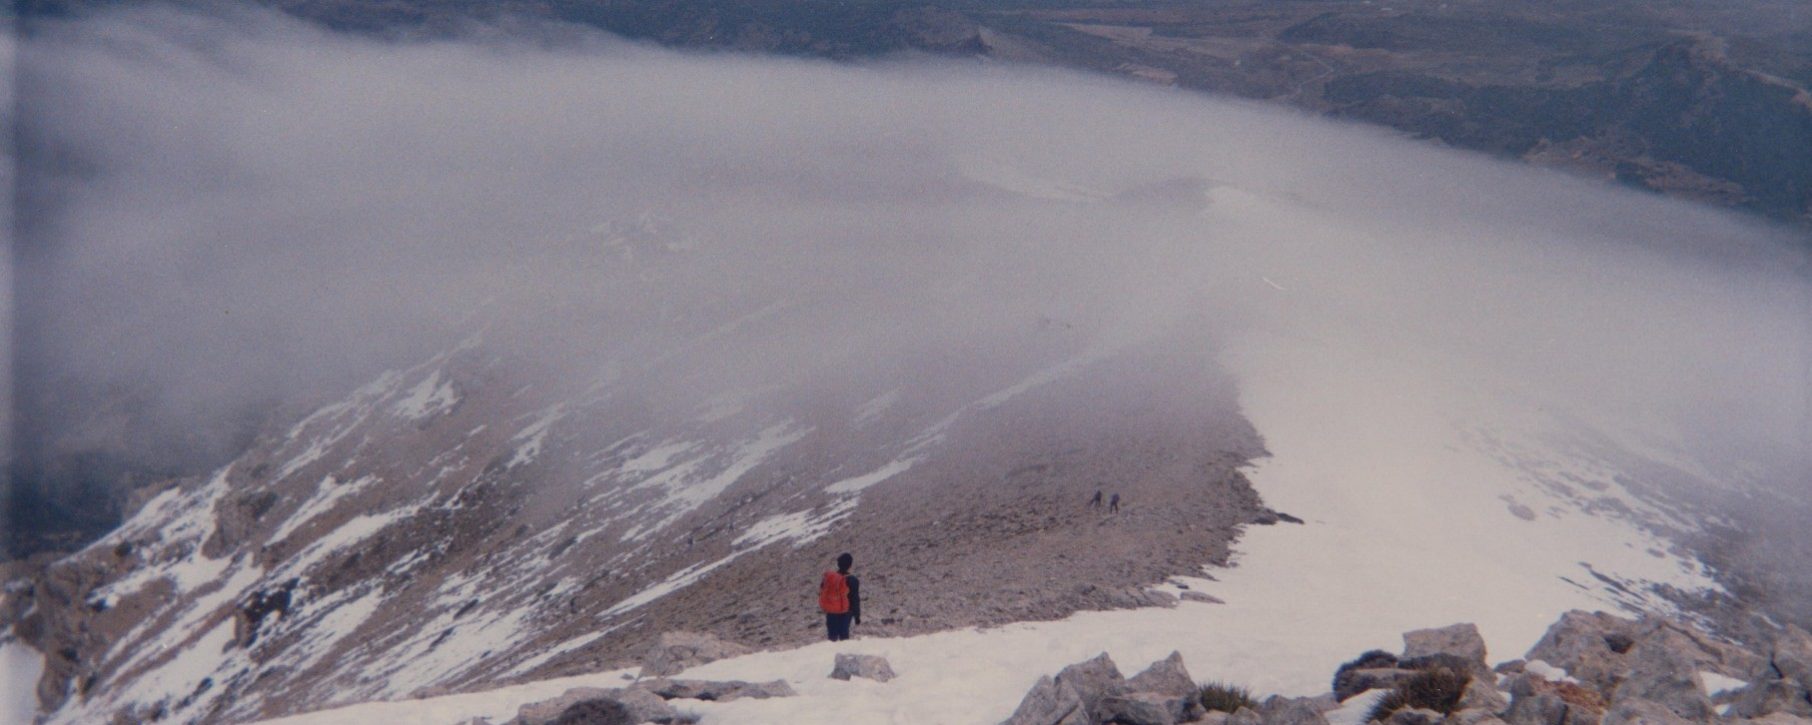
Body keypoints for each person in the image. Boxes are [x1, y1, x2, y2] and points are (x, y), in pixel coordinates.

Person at [819, 552, 861, 641]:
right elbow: (855, 599)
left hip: (831, 610)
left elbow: (822, 589)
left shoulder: (830, 578)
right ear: (850, 565)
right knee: (844, 636)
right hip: (846, 612)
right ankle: (842, 654)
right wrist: (857, 616)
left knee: (832, 637)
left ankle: (830, 653)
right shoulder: (852, 580)